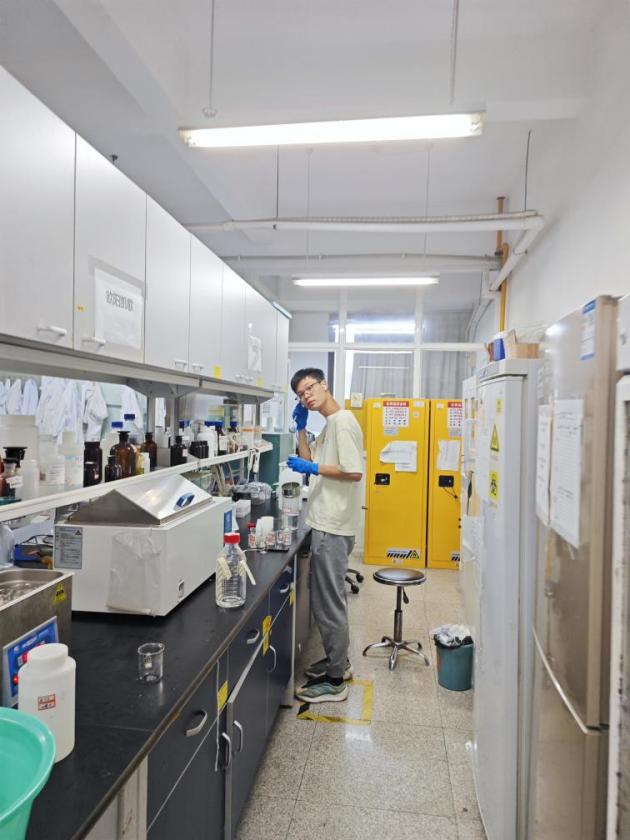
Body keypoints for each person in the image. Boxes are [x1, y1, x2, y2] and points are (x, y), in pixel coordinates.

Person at [287, 367, 363, 703]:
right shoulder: (331, 424)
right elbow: (308, 457)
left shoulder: (343, 422)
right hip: (326, 522)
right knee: (327, 599)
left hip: (333, 527)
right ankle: (339, 661)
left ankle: (335, 682)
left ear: (325, 385)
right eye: (301, 394)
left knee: (330, 604)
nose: (307, 396)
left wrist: (313, 469)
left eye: (309, 388)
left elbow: (353, 471)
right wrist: (301, 429)